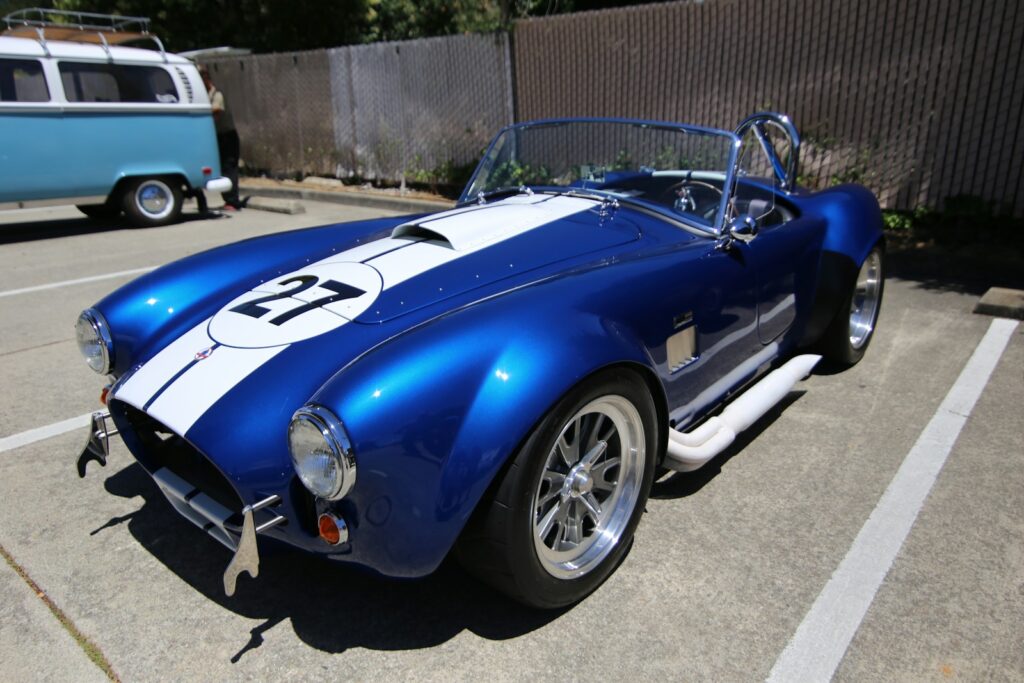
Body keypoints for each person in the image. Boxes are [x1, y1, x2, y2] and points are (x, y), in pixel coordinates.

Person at [199, 65, 244, 210]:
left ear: (206, 78)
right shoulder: (204, 96)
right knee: (218, 168)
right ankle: (226, 199)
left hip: (227, 136)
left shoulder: (217, 94)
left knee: (229, 167)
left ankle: (233, 201)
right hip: (216, 137)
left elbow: (216, 113)